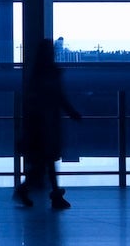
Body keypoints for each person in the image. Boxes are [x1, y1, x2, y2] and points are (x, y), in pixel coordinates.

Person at [14, 38, 82, 209]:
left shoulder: (37, 75)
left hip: (39, 125)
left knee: (43, 163)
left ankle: (32, 190)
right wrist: (71, 112)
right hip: (47, 125)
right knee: (47, 162)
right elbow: (59, 96)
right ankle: (50, 193)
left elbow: (36, 100)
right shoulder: (52, 73)